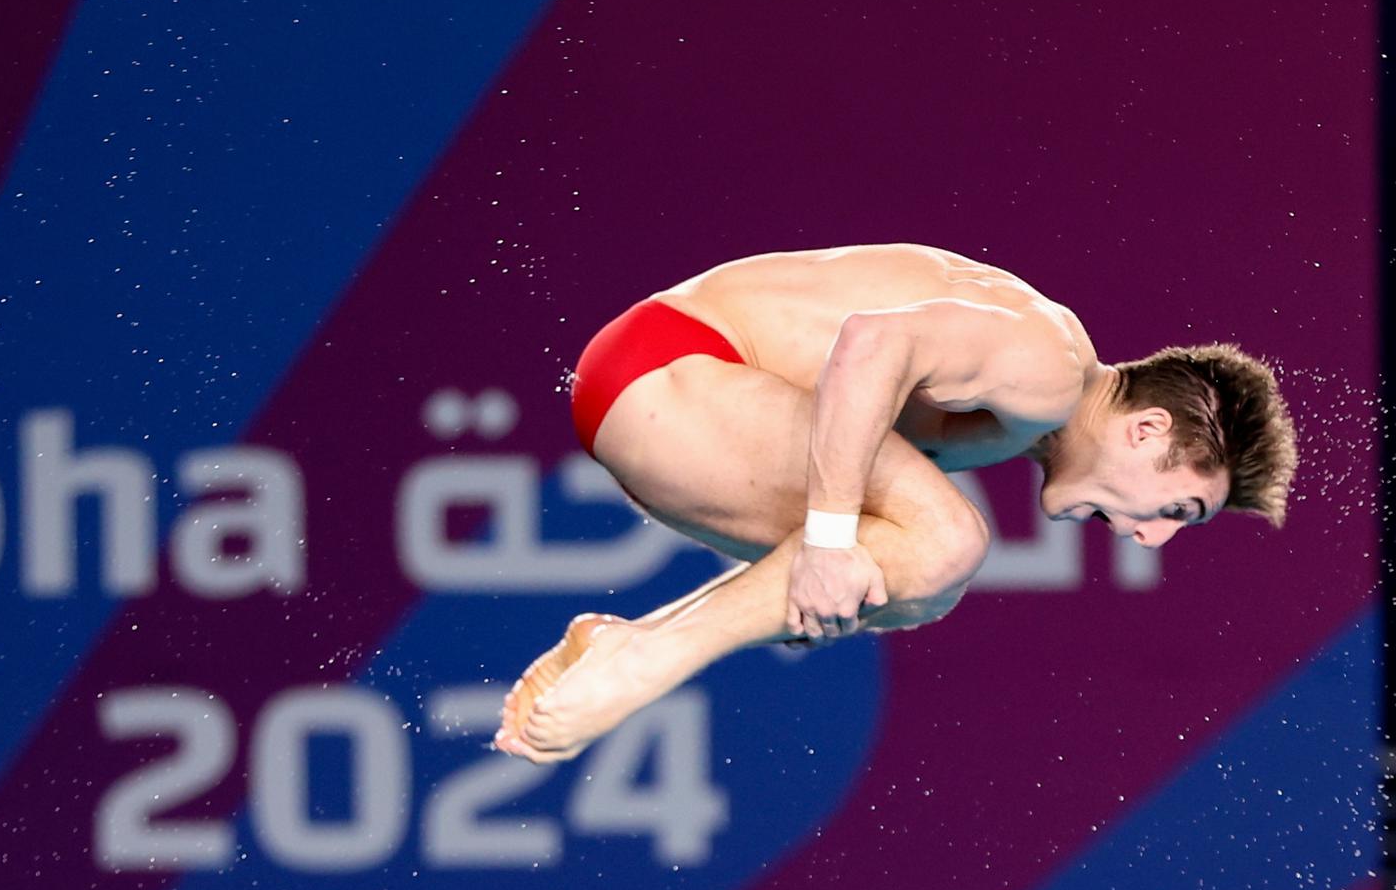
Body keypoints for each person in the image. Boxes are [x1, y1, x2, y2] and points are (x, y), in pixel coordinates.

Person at [494, 243, 1297, 763]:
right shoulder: (1051, 366)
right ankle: (647, 657)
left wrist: (831, 560)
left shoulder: (1032, 410)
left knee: (921, 586)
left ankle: (630, 639)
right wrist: (827, 542)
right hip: (671, 367)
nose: (1152, 538)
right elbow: (871, 342)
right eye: (1179, 509)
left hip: (655, 394)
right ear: (1148, 429)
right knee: (946, 541)